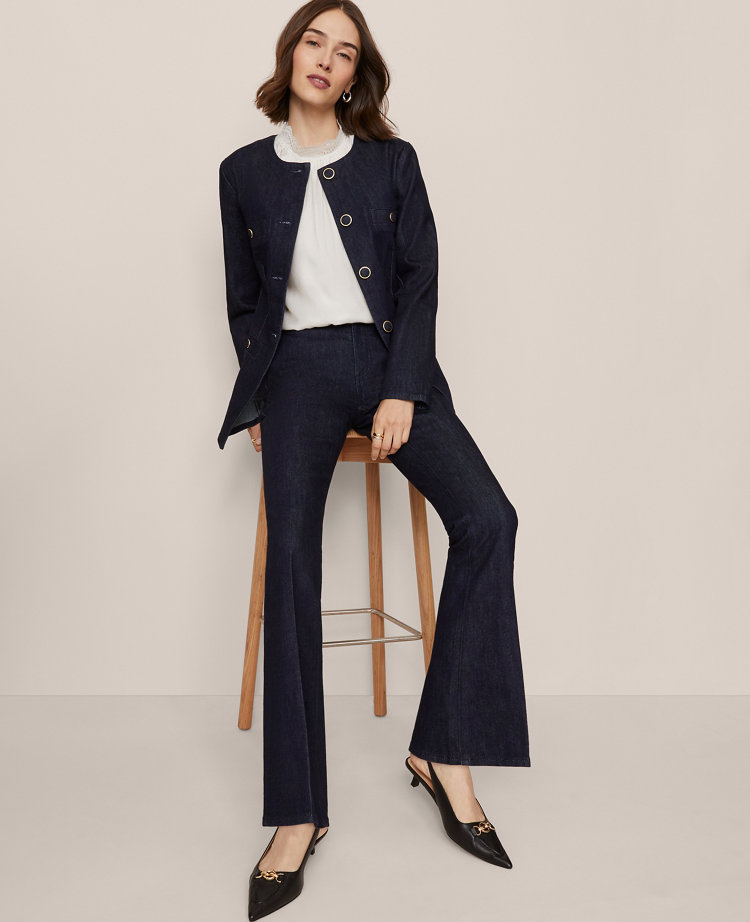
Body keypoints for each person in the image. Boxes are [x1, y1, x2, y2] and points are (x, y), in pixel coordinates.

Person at [216, 3, 531, 918]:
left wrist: (401, 389)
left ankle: (442, 752)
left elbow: (420, 280)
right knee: (291, 561)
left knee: (489, 518)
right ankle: (298, 814)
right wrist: (260, 393)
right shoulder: (241, 172)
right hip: (296, 375)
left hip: (391, 364)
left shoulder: (393, 162)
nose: (326, 59)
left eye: (345, 51)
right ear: (291, 54)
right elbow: (245, 302)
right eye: (314, 41)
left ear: (357, 75)